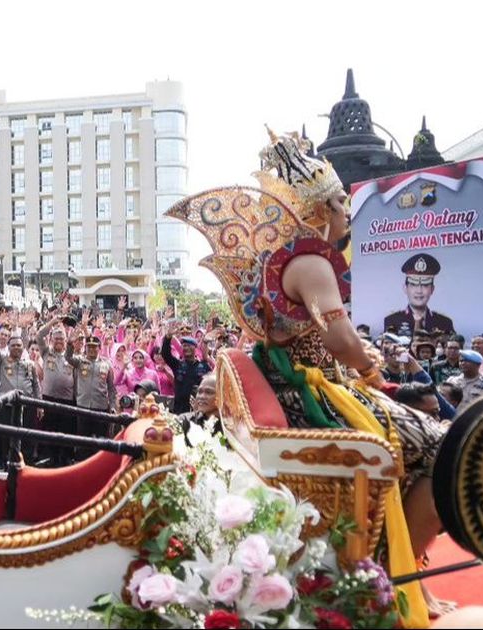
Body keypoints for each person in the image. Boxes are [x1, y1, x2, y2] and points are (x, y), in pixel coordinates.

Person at [171, 129, 447, 625]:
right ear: (321, 211)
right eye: (342, 202)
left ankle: (405, 571)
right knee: (446, 450)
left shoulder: (286, 261)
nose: (348, 211)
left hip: (308, 387)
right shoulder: (312, 261)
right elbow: (339, 339)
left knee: (428, 442)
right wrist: (369, 366)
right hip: (315, 398)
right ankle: (401, 580)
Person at [0, 324, 40, 469]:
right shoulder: (2, 360)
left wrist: (40, 405)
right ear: (9, 347)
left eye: (19, 345)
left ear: (23, 348)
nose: (16, 347)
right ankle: (8, 466)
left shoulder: (29, 364)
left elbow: (36, 385)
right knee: (7, 438)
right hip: (7, 407)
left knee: (26, 437)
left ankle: (26, 466)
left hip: (27, 406)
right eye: (13, 345)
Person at [36, 316, 77, 466]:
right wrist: (52, 322)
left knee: (65, 430)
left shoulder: (71, 357)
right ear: (51, 340)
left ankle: (65, 458)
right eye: (56, 338)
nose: (59, 340)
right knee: (51, 429)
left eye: (61, 338)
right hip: (49, 398)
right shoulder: (46, 353)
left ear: (66, 341)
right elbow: (39, 335)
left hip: (67, 399)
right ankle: (52, 457)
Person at [383, 253, 455, 337]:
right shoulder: (392, 320)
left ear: (432, 289)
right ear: (405, 288)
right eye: (413, 285)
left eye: (425, 285)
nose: (419, 291)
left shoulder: (444, 322)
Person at [160, 325, 212, 415]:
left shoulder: (203, 367)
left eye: (189, 346)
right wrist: (168, 337)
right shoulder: (178, 365)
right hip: (179, 411)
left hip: (198, 411)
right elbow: (165, 354)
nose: (186, 348)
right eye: (184, 346)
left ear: (195, 348)